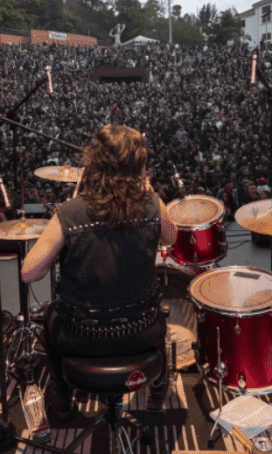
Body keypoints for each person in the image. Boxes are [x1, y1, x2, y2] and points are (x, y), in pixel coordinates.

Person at [21, 125, 177, 418]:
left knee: (50, 314)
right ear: (140, 167)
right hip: (141, 330)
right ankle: (158, 389)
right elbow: (173, 238)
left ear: (94, 164)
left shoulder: (69, 213)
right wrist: (151, 194)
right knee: (158, 309)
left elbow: (29, 273)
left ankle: (63, 397)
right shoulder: (154, 206)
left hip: (81, 335)